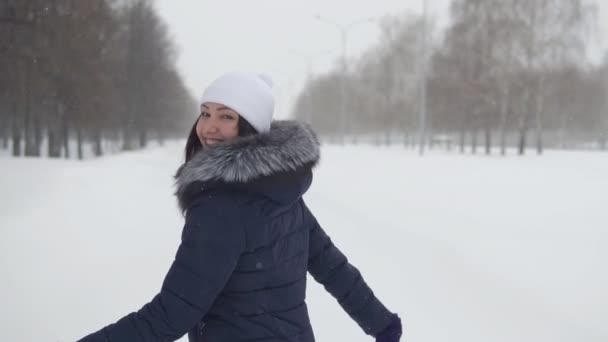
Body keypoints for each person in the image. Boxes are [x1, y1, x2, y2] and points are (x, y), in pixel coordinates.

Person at [78, 71, 402, 342]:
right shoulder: (280, 189)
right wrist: (382, 323)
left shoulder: (221, 206)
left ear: (251, 126)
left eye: (226, 116)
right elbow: (332, 268)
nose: (209, 127)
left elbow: (172, 314)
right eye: (205, 113)